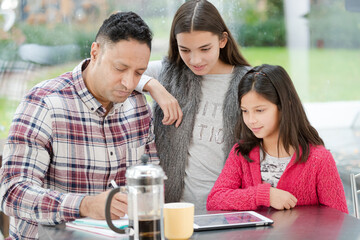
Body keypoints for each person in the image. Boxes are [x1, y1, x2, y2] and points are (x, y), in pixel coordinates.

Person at [0, 11, 158, 239]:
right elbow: (13, 193)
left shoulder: (138, 104)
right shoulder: (45, 103)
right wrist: (85, 205)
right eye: (120, 69)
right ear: (95, 52)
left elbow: (150, 184)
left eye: (139, 73)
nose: (129, 82)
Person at [137, 0, 251, 213]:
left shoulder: (248, 81)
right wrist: (154, 87)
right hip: (174, 213)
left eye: (205, 48)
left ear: (223, 40)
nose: (195, 59)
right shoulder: (168, 73)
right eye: (185, 49)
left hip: (230, 213)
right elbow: (109, 71)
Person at [206, 64, 348, 214]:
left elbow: (339, 220)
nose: (251, 120)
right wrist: (264, 195)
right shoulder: (241, 153)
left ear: (284, 106)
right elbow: (215, 199)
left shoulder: (319, 159)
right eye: (245, 111)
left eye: (259, 110)